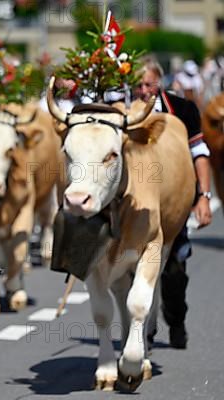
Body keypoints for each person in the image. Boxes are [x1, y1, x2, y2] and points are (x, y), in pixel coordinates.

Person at [139, 59, 213, 349]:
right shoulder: (121, 112)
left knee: (173, 272)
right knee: (131, 269)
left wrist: (203, 197)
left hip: (173, 205)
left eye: (149, 84)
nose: (143, 91)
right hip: (136, 207)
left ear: (160, 83)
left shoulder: (182, 110)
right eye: (138, 86)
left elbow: (200, 153)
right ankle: (143, 329)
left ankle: (176, 319)